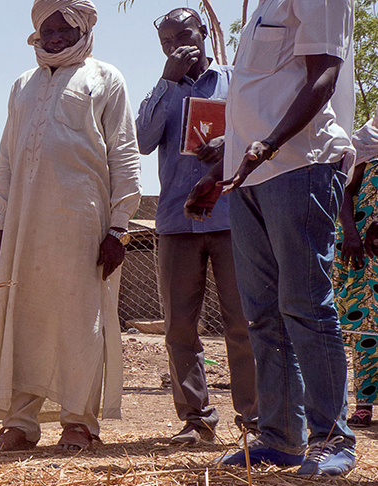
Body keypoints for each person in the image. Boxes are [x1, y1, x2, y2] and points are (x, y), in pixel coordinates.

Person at [187, 0, 357, 477]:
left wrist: (269, 144)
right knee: (263, 314)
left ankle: (332, 439)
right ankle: (281, 438)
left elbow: (325, 74)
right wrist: (221, 171)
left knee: (305, 305)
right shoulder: (264, 6)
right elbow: (259, 101)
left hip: (301, 166)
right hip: (251, 178)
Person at [0, 0, 142, 453]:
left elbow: (124, 153)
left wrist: (118, 228)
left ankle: (78, 421)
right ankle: (20, 422)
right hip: (24, 225)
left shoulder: (106, 78)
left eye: (64, 30)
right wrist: (2, 225)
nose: (54, 37)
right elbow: (7, 158)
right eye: (47, 29)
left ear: (82, 30)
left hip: (83, 222)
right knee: (24, 319)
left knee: (80, 320)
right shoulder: (22, 84)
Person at [135, 7, 258, 446]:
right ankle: (196, 420)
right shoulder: (162, 90)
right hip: (175, 222)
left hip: (231, 218)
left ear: (203, 31)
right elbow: (142, 141)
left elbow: (260, 130)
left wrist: (230, 143)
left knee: (242, 324)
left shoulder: (235, 81)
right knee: (180, 329)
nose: (176, 47)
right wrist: (167, 81)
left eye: (183, 36)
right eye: (166, 42)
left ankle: (254, 422)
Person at [337, 116, 378, 429]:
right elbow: (343, 191)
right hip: (365, 248)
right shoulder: (364, 143)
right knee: (365, 323)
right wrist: (351, 232)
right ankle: (363, 405)